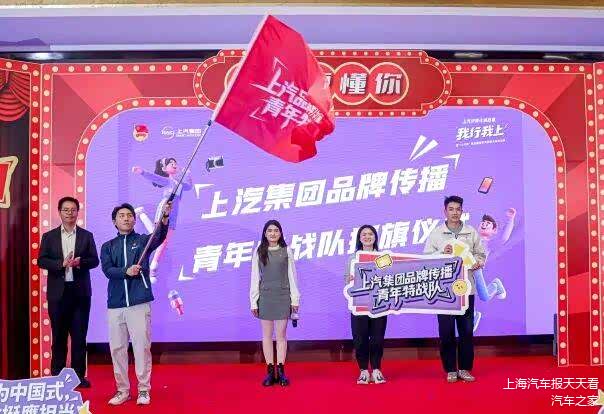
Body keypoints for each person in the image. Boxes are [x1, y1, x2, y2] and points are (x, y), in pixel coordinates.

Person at [101, 201, 171, 405]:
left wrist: (164, 217)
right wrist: (126, 271)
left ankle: (143, 390)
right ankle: (122, 390)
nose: (126, 218)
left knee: (141, 348)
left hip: (139, 302)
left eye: (129, 215)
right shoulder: (108, 246)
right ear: (114, 221)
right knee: (117, 349)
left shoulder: (142, 241)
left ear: (134, 220)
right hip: (116, 305)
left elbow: (159, 236)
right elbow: (107, 270)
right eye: (121, 215)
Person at [38, 196, 99, 388]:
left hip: (80, 294)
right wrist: (61, 264)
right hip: (58, 294)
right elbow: (41, 260)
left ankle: (78, 377)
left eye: (73, 210)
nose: (70, 213)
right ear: (59, 212)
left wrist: (80, 262)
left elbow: (94, 260)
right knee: (59, 336)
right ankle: (57, 376)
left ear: (78, 212)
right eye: (66, 210)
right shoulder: (49, 237)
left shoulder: (86, 236)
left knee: (80, 337)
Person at [423, 195, 486, 383]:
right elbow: (426, 258)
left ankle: (465, 368)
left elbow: (480, 254)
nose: (455, 212)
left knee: (466, 330)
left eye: (458, 209)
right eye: (451, 209)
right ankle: (450, 369)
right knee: (446, 331)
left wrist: (478, 262)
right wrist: (441, 253)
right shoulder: (436, 233)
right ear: (445, 211)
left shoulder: (470, 232)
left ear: (462, 211)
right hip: (444, 291)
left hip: (466, 289)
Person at [250, 220, 300, 386]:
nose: (273, 233)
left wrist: (295, 299)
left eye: (276, 230)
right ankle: (270, 372)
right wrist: (253, 301)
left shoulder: (286, 250)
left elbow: (292, 276)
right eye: (269, 230)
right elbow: (255, 277)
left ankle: (282, 371)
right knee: (266, 336)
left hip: (282, 296)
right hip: (265, 297)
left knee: (281, 336)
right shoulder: (259, 251)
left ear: (280, 233)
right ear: (265, 233)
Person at [132, 157, 192, 282]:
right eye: (171, 163)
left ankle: (142, 214)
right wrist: (142, 172)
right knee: (158, 237)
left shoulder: (180, 183)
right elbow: (154, 178)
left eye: (175, 163)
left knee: (164, 240)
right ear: (165, 169)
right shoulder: (167, 181)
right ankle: (153, 267)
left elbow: (189, 187)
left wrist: (188, 174)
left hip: (174, 211)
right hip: (165, 208)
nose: (174, 164)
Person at [345, 225, 387, 385]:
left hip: (379, 303)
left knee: (377, 337)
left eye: (370, 234)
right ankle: (363, 370)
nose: (367, 237)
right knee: (360, 338)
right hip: (359, 304)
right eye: (364, 234)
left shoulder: (383, 257)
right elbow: (346, 280)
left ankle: (376, 369)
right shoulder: (353, 258)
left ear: (375, 237)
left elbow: (389, 278)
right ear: (359, 238)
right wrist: (350, 280)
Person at [473, 209, 516, 331]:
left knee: (484, 297)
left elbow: (504, 238)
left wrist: (510, 220)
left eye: (488, 223)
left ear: (494, 230)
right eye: (483, 222)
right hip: (464, 271)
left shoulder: (490, 242)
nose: (484, 224)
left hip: (476, 271)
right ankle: (473, 316)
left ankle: (496, 285)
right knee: (464, 296)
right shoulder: (471, 240)